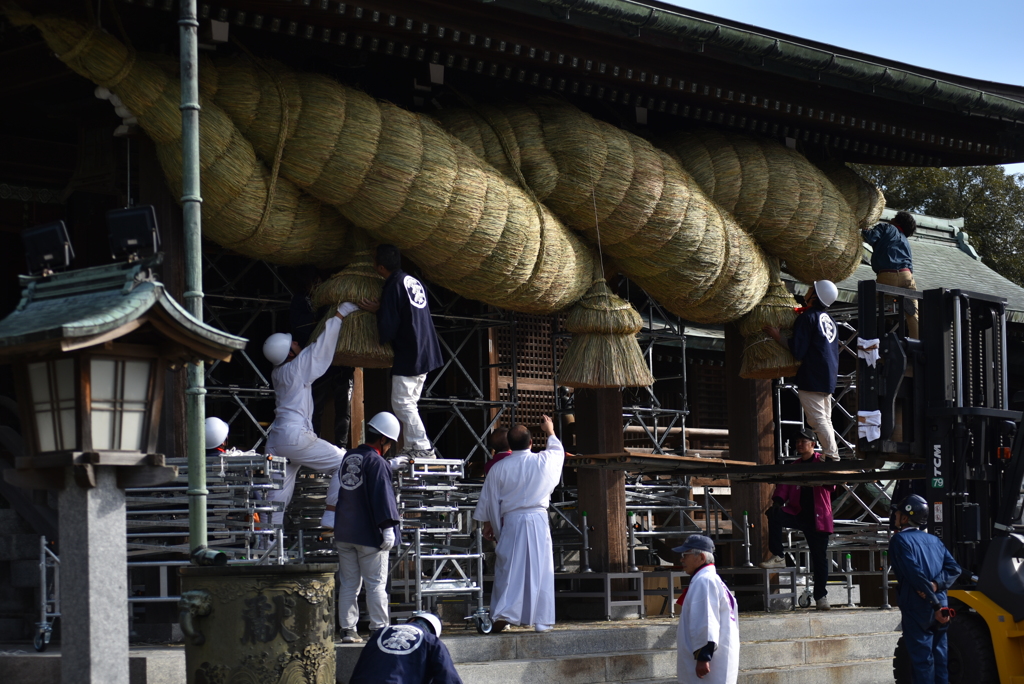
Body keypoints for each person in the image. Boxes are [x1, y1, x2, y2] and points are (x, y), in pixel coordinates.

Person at [263, 302, 358, 527]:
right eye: (293, 343)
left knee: (276, 498)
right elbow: (319, 350)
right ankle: (331, 513)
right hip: (296, 436)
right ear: (288, 353)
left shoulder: (278, 373)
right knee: (345, 462)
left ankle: (266, 548)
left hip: (276, 440)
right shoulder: (295, 369)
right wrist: (340, 314)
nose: (297, 342)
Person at [473, 415, 564, 633]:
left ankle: (504, 613)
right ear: (531, 443)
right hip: (537, 519)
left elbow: (489, 500)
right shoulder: (542, 460)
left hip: (512, 520)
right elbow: (557, 452)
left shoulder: (498, 468)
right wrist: (549, 431)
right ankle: (542, 620)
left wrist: (490, 523)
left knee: (509, 567)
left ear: (509, 446)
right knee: (541, 568)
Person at [321, 411, 403, 644]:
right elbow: (382, 496)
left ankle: (348, 630)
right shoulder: (377, 462)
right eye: (389, 443)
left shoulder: (349, 456)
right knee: (376, 584)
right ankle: (379, 630)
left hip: (345, 531)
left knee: (349, 583)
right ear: (384, 440)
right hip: (369, 533)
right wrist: (388, 526)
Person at [359, 244, 443, 459]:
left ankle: (422, 447)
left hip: (411, 350)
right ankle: (414, 445)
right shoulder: (412, 280)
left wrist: (379, 314)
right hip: (426, 347)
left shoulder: (392, 285)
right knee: (410, 402)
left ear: (379, 268)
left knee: (402, 402)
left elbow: (389, 326)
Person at [758, 428, 837, 610]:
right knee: (774, 513)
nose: (799, 445)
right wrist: (778, 501)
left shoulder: (822, 462)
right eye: (798, 442)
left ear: (813, 444)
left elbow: (831, 486)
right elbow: (783, 487)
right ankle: (778, 555)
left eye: (803, 441)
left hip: (818, 518)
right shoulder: (794, 467)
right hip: (798, 513)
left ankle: (821, 596)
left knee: (819, 559)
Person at [764, 279, 841, 461]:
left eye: (810, 289)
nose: (806, 291)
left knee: (816, 420)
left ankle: (832, 455)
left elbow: (798, 351)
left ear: (815, 296)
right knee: (825, 419)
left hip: (812, 374)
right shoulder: (830, 320)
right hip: (828, 376)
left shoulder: (807, 317)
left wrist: (777, 337)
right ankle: (832, 453)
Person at [889, 495, 961, 684]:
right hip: (942, 607)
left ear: (905, 517)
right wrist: (937, 587)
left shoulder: (900, 541)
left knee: (922, 662)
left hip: (918, 607)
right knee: (940, 660)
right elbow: (955, 569)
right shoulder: (934, 541)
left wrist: (933, 602)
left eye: (898, 512)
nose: (895, 515)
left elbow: (915, 575)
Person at [287, 265, 355, 447]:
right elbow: (300, 330)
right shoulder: (301, 301)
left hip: (341, 360)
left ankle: (341, 447)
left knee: (344, 407)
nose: (318, 285)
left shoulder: (333, 301)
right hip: (316, 361)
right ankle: (312, 445)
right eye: (315, 281)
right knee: (316, 407)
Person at [672, 535, 739, 684]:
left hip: (709, 662)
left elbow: (707, 620)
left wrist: (703, 656)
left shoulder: (705, 581)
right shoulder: (710, 579)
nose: (682, 559)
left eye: (685, 555)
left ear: (701, 557)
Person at [348, 611, 463, 684]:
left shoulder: (381, 632)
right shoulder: (431, 641)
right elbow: (447, 677)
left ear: (412, 620)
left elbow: (361, 665)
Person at [863, 211, 919, 338]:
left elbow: (870, 238)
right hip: (907, 277)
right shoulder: (905, 240)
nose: (890, 220)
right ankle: (916, 346)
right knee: (913, 314)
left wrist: (864, 227)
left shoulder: (886, 227)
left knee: (871, 307)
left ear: (897, 221)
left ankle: (872, 343)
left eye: (893, 218)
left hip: (887, 276)